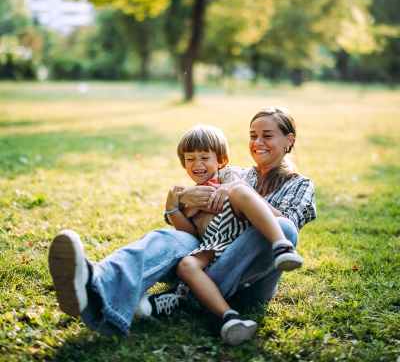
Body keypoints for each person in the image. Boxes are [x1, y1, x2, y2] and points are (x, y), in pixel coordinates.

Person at [48, 107, 316, 345]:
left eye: (267, 135)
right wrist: (177, 202)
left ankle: (184, 299)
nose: (257, 142)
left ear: (288, 140)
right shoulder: (235, 173)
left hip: (247, 278)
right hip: (207, 256)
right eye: (253, 135)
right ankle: (95, 285)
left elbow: (288, 223)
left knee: (284, 230)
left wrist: (240, 192)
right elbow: (195, 226)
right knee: (166, 238)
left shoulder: (298, 184)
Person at [139, 124, 303, 345]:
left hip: (238, 240)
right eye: (190, 159)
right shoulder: (191, 198)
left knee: (241, 191)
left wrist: (226, 189)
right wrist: (176, 209)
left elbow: (243, 191)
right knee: (186, 265)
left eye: (204, 157)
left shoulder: (229, 175)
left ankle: (281, 246)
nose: (197, 164)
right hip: (213, 245)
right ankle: (228, 317)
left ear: (221, 160)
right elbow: (190, 234)